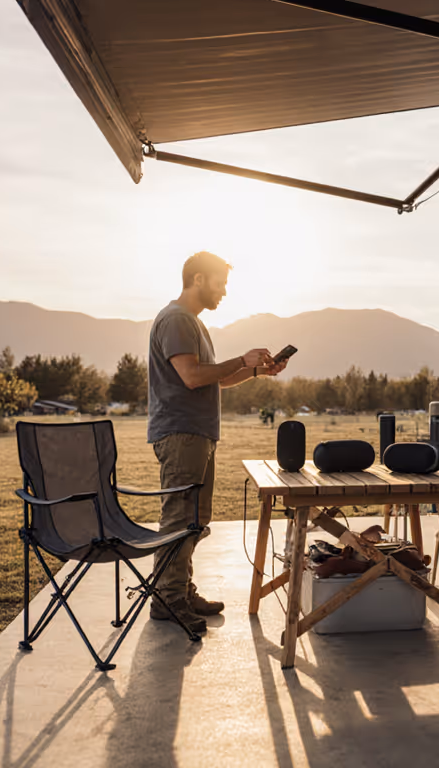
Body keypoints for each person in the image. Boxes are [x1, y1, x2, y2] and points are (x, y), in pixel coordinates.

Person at [147, 251, 287, 635]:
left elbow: (216, 379)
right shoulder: (176, 320)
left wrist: (254, 370)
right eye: (219, 283)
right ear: (196, 280)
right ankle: (168, 600)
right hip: (181, 434)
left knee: (194, 519)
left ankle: (179, 589)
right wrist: (241, 358)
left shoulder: (191, 323)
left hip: (197, 434)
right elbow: (192, 377)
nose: (224, 292)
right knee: (178, 518)